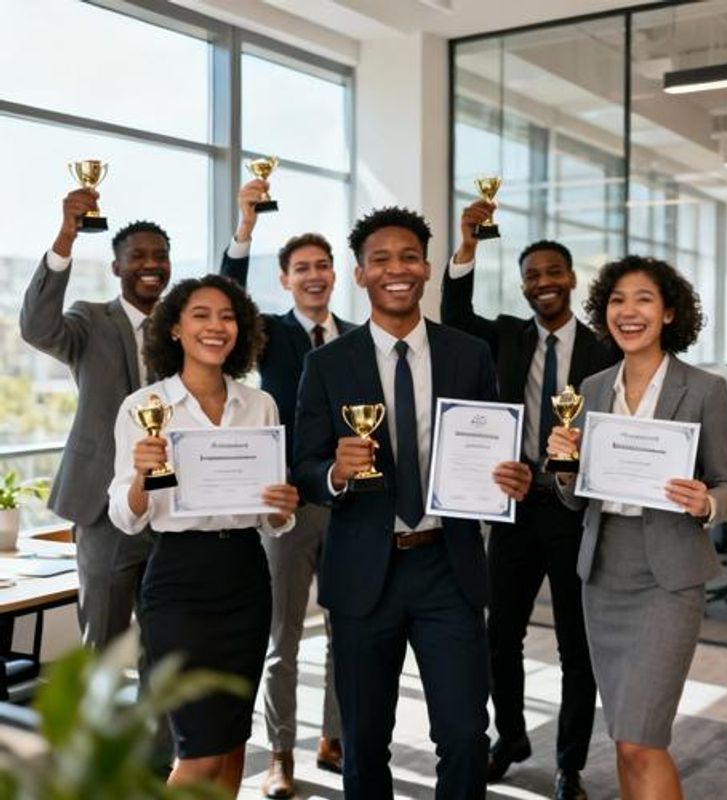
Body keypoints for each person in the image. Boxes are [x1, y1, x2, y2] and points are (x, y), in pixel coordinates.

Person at [293, 206, 533, 800]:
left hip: (447, 567)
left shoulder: (468, 354)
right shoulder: (326, 363)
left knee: (465, 735)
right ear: (360, 274)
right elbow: (304, 467)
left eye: (408, 258)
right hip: (361, 572)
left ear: (426, 268)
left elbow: (492, 443)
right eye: (380, 260)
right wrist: (334, 472)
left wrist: (511, 476)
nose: (395, 270)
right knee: (364, 741)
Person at [441, 200, 617, 798]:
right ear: (522, 286)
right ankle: (511, 737)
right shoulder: (506, 338)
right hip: (513, 507)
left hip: (573, 511)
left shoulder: (604, 349)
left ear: (571, 279)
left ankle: (570, 763)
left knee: (575, 646)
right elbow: (454, 313)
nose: (543, 282)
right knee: (500, 637)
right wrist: (468, 244)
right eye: (532, 275)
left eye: (553, 272)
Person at [548, 255, 727, 800]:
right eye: (617, 300)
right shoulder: (591, 387)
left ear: (669, 312)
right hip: (603, 572)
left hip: (668, 577)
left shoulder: (704, 389)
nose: (628, 312)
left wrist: (707, 502)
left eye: (644, 299)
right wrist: (563, 467)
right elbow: (574, 498)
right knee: (623, 735)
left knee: (642, 739)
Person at [108, 273, 299, 796]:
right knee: (197, 752)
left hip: (245, 576)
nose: (217, 326)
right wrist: (142, 477)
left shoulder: (259, 404)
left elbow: (272, 519)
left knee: (233, 741)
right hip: (178, 582)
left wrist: (282, 507)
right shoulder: (144, 406)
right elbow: (126, 516)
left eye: (228, 316)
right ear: (174, 328)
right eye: (201, 315)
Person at [220, 179, 352, 798]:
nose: (314, 276)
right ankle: (280, 754)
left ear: (335, 275)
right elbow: (227, 296)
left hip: (349, 506)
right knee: (284, 641)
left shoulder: (357, 336)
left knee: (349, 632)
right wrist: (245, 228)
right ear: (286, 280)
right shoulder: (269, 334)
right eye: (302, 268)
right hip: (288, 508)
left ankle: (335, 737)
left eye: (322, 266)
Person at [20, 187, 171, 648]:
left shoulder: (183, 328)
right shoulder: (91, 320)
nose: (150, 264)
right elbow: (37, 328)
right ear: (116, 268)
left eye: (160, 256)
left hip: (171, 506)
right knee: (104, 644)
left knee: (166, 648)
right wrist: (66, 236)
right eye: (137, 256)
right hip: (103, 506)